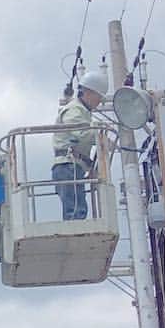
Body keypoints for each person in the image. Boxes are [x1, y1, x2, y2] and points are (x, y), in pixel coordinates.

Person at [51, 70, 107, 221]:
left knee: (77, 209)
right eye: (98, 97)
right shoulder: (75, 110)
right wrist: (98, 135)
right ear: (88, 92)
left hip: (72, 167)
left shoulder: (81, 111)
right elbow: (79, 133)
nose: (99, 101)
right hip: (68, 166)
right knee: (76, 212)